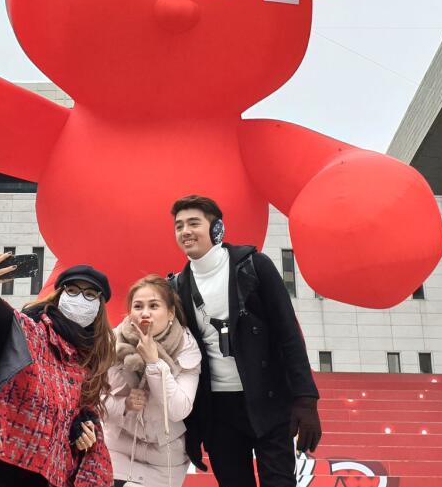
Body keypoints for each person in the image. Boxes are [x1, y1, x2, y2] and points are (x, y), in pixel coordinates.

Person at [169, 196, 321, 487]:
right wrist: (193, 426)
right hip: (219, 411)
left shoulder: (254, 266)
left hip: (269, 400)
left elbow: (288, 332)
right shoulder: (176, 286)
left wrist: (306, 400)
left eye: (193, 223)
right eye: (179, 226)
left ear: (216, 229)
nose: (185, 231)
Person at [0, 251, 117, 487]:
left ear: (99, 306)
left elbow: (81, 411)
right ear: (59, 295)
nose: (80, 299)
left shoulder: (91, 361)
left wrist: (81, 428)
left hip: (41, 470)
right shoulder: (34, 330)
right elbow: (7, 321)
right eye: (72, 291)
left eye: (90, 295)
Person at [103, 275, 202, 487]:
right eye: (138, 306)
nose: (145, 313)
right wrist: (125, 405)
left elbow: (178, 409)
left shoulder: (186, 347)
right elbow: (94, 401)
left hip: (164, 461)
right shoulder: (112, 342)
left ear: (170, 313)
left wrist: (154, 363)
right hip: (116, 451)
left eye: (154, 305)